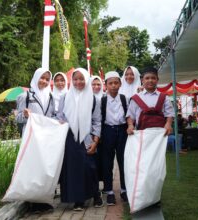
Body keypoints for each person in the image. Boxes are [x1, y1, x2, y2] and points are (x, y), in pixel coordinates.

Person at [57, 68, 103, 211]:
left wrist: (95, 142)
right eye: (75, 79)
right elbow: (60, 116)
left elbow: (97, 121)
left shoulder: (94, 99)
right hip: (70, 138)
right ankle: (78, 200)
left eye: (81, 79)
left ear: (86, 80)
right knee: (74, 169)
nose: (78, 82)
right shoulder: (65, 97)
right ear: (72, 81)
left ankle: (96, 195)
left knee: (90, 168)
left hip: (87, 138)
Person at [15, 67, 56, 212]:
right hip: (31, 138)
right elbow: (17, 119)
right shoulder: (25, 96)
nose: (44, 81)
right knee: (32, 168)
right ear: (36, 77)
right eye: (42, 78)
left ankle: (42, 200)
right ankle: (32, 201)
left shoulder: (50, 97)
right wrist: (25, 116)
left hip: (45, 139)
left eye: (46, 79)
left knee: (43, 168)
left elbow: (52, 117)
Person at [101, 71, 128, 205]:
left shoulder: (124, 99)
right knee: (107, 162)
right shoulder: (102, 100)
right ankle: (109, 191)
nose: (113, 86)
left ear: (120, 84)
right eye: (110, 83)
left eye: (116, 83)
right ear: (105, 85)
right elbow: (99, 118)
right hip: (107, 131)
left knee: (123, 161)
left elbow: (129, 115)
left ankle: (124, 189)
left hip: (122, 131)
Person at [126, 67, 174, 136]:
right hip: (141, 134)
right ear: (142, 80)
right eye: (147, 78)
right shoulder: (136, 98)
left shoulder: (164, 97)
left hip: (160, 134)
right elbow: (130, 115)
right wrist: (130, 125)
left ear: (157, 80)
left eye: (153, 78)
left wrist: (168, 124)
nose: (150, 80)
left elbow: (169, 114)